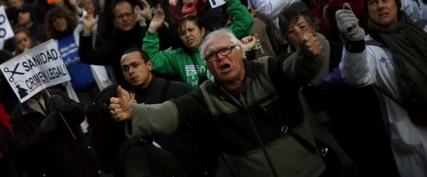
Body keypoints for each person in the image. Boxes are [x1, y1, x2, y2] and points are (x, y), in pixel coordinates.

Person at [110, 28, 328, 176]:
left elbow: (296, 68)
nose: (221, 57)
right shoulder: (206, 97)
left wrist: (307, 55)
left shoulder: (268, 70)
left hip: (310, 171)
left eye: (226, 50)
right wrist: (133, 112)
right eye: (212, 56)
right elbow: (169, 113)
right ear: (208, 65)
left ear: (240, 52)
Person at [278, 2, 399, 176]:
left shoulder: (340, 53)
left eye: (302, 26)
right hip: (330, 151)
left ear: (313, 27)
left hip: (364, 138)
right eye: (291, 31)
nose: (299, 34)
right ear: (286, 38)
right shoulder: (288, 71)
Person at [336, 0, 427, 175]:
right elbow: (356, 76)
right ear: (367, 10)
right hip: (413, 136)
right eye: (373, 2)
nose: (381, 6)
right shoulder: (367, 47)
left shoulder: (419, 31)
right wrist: (353, 42)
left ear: (397, 2)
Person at [120, 48, 218, 176]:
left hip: (198, 168)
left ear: (149, 65)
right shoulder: (128, 105)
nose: (131, 71)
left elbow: (205, 130)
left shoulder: (178, 89)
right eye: (126, 68)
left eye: (135, 65)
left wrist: (210, 166)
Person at [144, 0, 253, 88]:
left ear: (202, 31)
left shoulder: (219, 40)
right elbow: (150, 60)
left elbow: (245, 22)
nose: (187, 35)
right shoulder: (178, 56)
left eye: (191, 30)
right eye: (182, 33)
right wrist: (152, 29)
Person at [86, 86, 185, 177]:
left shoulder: (122, 141)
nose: (134, 97)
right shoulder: (133, 150)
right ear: (118, 109)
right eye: (129, 96)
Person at [79, 0, 174, 87]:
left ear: (135, 16)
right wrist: (87, 30)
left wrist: (150, 18)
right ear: (115, 22)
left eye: (128, 14)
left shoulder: (147, 33)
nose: (125, 19)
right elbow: (88, 57)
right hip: (134, 95)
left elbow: (168, 41)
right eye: (120, 16)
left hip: (161, 84)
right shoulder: (111, 43)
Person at [10, 90, 99, 177]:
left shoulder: (55, 94)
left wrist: (66, 107)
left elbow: (81, 114)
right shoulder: (17, 116)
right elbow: (22, 152)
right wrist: (42, 130)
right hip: (55, 170)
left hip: (83, 162)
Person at [45, 6, 111, 103]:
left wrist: (74, 4)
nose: (58, 22)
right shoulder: (52, 45)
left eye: (60, 17)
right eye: (54, 20)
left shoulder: (78, 32)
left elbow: (88, 20)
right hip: (79, 92)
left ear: (67, 18)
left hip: (97, 84)